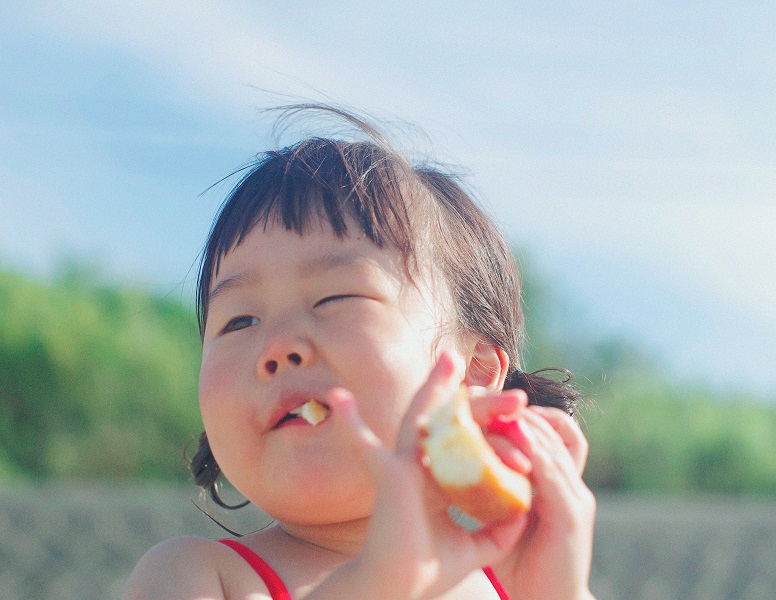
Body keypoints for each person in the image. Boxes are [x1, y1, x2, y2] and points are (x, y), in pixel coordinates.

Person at [122, 104, 597, 600]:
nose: (278, 347)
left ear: (473, 371)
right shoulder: (193, 575)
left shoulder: (523, 585)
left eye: (335, 298)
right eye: (238, 321)